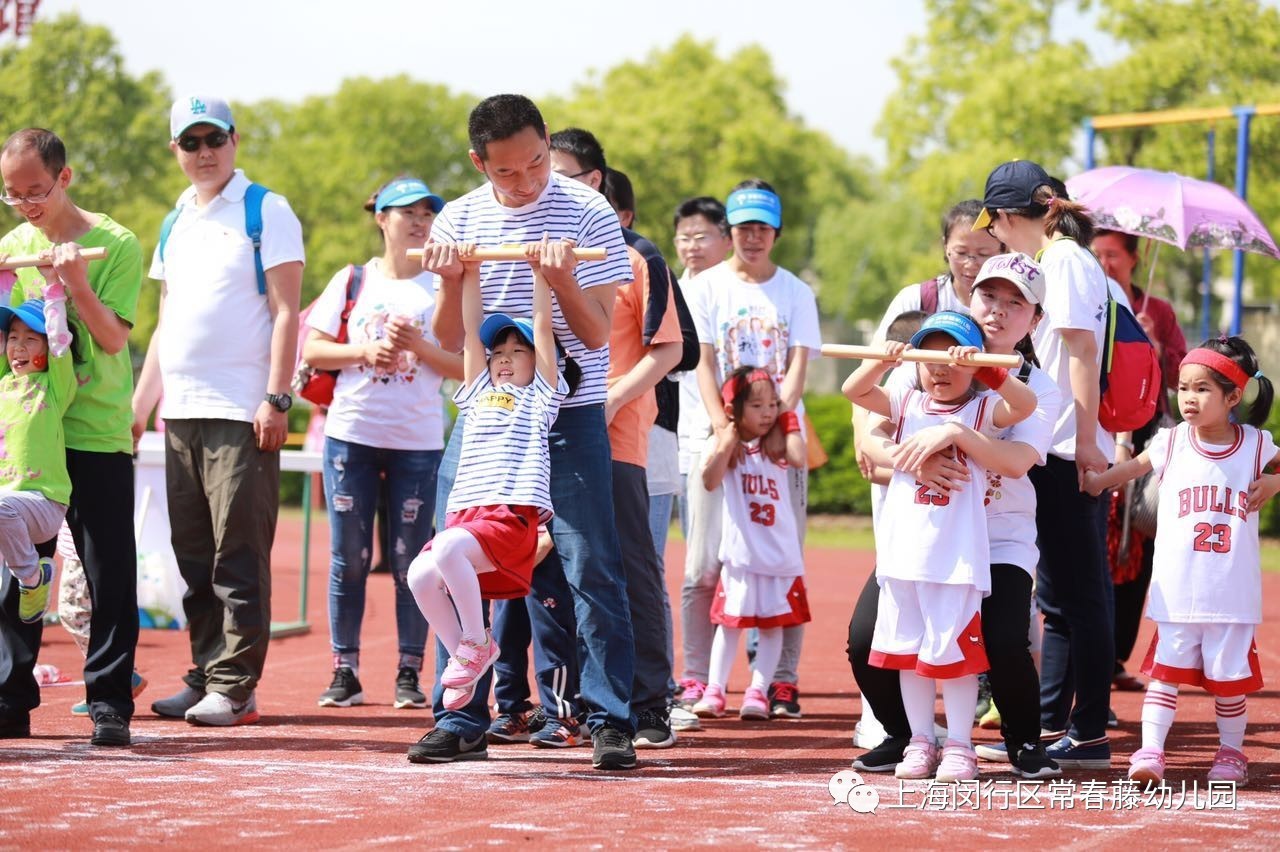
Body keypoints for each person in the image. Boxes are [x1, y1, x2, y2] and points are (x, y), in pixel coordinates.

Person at [413, 94, 636, 771]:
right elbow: (449, 338)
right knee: (453, 555)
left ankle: (609, 718)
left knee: (590, 562)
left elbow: (597, 334)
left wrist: (561, 277)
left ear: (546, 141)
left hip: (567, 415)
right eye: (508, 172)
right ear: (479, 163)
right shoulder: (459, 217)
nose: (529, 181)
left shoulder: (588, 210)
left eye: (537, 162)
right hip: (487, 418)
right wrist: (452, 279)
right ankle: (459, 714)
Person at [852, 255, 1064, 780]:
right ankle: (909, 737)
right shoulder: (929, 360)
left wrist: (954, 436)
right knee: (865, 639)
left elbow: (1016, 462)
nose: (999, 311)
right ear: (971, 299)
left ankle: (1022, 740)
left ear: (1034, 320)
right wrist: (917, 463)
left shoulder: (1038, 386)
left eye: (1016, 303)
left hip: (998, 540)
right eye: (990, 297)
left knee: (1003, 640)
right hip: (927, 535)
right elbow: (869, 443)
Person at [137, 95, 304, 727]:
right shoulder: (175, 218)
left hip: (241, 408)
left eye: (214, 139)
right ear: (175, 150)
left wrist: (275, 396)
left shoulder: (266, 209)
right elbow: (165, 322)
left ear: (234, 140)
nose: (203, 153)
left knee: (236, 554)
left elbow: (287, 311)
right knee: (193, 556)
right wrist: (139, 405)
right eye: (190, 142)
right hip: (177, 412)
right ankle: (209, 671)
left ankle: (234, 685)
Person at [0, 128, 143, 747]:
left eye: (35, 191)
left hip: (94, 431)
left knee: (109, 568)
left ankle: (108, 700)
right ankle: (11, 696)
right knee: (18, 565)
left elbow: (112, 340)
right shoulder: (13, 250)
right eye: (13, 196)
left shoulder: (115, 243)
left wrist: (75, 280)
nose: (27, 205)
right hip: (32, 437)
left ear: (64, 178)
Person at [1083, 336, 1278, 786]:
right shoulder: (1171, 441)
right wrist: (1096, 483)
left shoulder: (1254, 445)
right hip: (1177, 589)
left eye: (1202, 389)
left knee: (1230, 681)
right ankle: (1151, 752)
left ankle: (1231, 754)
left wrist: (1272, 484)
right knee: (1164, 676)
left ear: (1233, 397)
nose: (1188, 397)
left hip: (1231, 594)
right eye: (1183, 387)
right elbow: (1130, 471)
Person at [301, 176, 461, 710]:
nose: (418, 221)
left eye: (426, 211)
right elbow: (317, 350)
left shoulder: (444, 287)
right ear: (380, 218)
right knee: (349, 555)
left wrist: (418, 346)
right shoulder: (352, 280)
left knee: (411, 560)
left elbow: (463, 365)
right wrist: (367, 351)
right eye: (405, 211)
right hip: (352, 435)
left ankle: (409, 672)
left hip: (417, 441)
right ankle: (343, 670)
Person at [974, 159, 1114, 768]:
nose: (996, 237)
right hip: (1053, 441)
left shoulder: (1066, 263)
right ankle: (1059, 719)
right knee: (1060, 598)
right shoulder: (1060, 263)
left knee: (1078, 598)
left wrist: (1086, 442)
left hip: (1064, 447)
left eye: (995, 226)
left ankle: (1089, 734)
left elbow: (1082, 352)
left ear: (1008, 216)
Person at [549, 132, 684, 750]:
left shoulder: (636, 256)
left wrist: (609, 400)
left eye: (565, 176)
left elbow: (670, 349)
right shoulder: (538, 251)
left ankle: (650, 703)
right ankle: (568, 704)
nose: (551, 188)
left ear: (596, 181)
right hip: (545, 440)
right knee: (555, 573)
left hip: (618, 438)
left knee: (629, 569)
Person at [408, 241, 573, 721]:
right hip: (468, 514)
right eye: (498, 351)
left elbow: (542, 327)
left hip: (509, 516)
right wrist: (470, 271)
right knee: (420, 575)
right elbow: (469, 332)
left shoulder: (540, 396)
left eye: (516, 352)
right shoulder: (478, 392)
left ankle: (477, 643)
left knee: (444, 551)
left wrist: (542, 272)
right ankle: (468, 649)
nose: (504, 358)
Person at [684, 180, 821, 720]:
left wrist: (771, 427)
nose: (753, 237)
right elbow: (703, 360)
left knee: (784, 559)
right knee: (703, 565)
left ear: (776, 232)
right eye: (743, 228)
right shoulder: (707, 287)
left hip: (780, 440)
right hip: (719, 438)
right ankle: (698, 678)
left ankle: (781, 681)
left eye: (763, 228)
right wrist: (727, 429)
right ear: (730, 233)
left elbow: (799, 366)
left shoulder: (794, 292)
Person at [1090, 228, 1188, 693]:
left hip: (1149, 434)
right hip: (1101, 429)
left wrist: (1154, 347)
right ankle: (1088, 652)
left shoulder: (1159, 312)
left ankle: (1114, 657)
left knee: (1137, 546)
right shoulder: (1088, 298)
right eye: (1098, 254)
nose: (1105, 262)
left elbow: (1186, 374)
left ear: (1135, 258)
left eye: (1113, 255)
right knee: (1098, 546)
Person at [691, 367, 809, 720]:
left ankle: (758, 691)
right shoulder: (728, 446)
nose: (767, 412)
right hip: (741, 556)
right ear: (735, 409)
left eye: (773, 404)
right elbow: (709, 481)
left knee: (772, 625)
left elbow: (800, 457)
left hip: (779, 557)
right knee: (729, 625)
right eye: (757, 405)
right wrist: (726, 441)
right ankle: (715, 688)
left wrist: (788, 420)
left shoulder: (777, 442)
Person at [0, 299, 74, 626]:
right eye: (13, 338)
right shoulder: (2, 386)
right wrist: (4, 281)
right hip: (8, 505)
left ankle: (32, 577)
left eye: (31, 339)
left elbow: (60, 342)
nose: (19, 346)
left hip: (44, 503)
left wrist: (54, 289)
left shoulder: (53, 386)